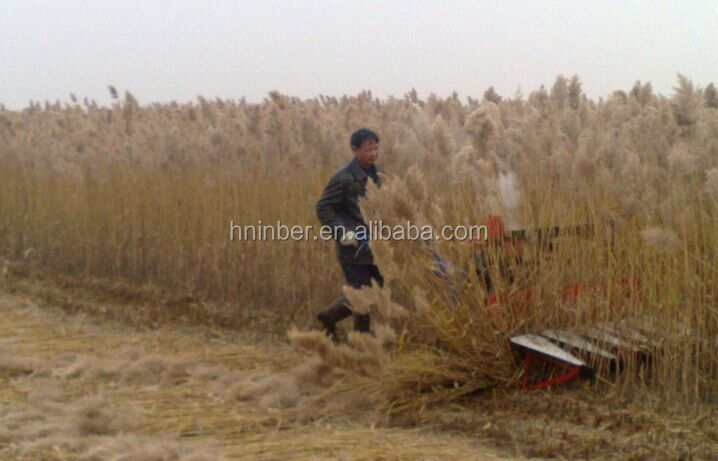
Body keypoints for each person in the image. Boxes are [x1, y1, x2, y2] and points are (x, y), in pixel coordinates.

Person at [315, 128, 384, 341]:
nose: (373, 153)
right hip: (353, 248)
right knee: (362, 296)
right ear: (355, 150)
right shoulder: (343, 178)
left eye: (375, 148)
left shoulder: (377, 175)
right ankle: (362, 345)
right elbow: (323, 207)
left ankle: (328, 315)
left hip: (374, 247)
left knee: (374, 290)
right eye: (368, 149)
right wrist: (342, 232)